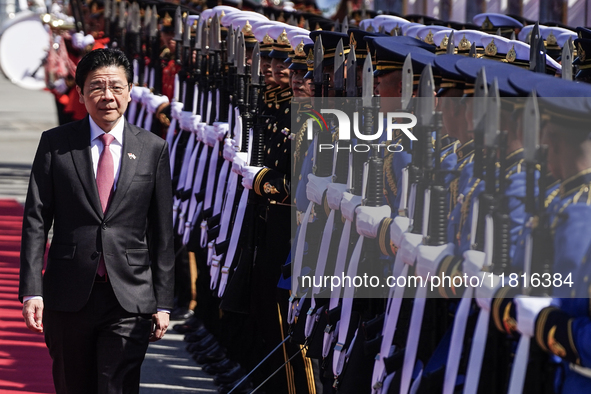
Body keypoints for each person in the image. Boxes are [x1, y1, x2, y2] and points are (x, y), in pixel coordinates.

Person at [19, 48, 175, 394]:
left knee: (116, 386)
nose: (108, 96)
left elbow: (163, 232)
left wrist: (163, 301)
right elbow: (36, 220)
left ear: (130, 92)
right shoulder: (56, 144)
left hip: (129, 296)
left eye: (117, 87)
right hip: (67, 293)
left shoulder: (152, 148)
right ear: (81, 93)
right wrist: (32, 290)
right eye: (97, 87)